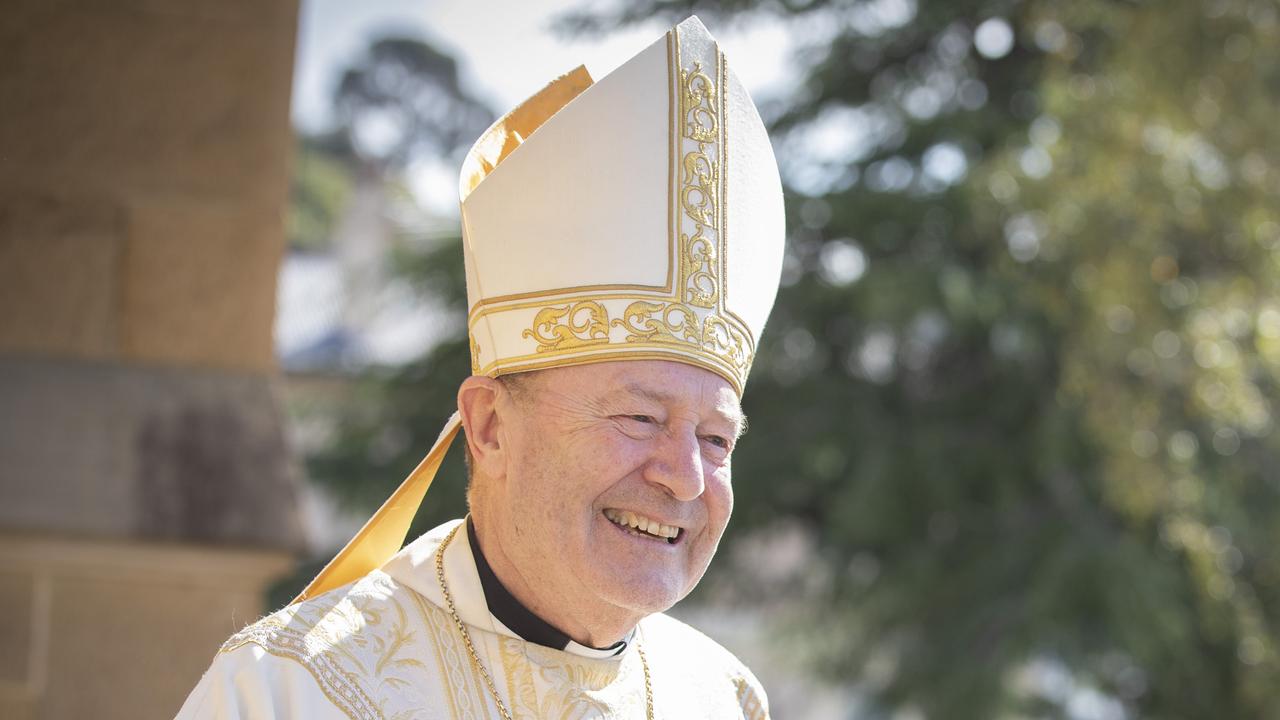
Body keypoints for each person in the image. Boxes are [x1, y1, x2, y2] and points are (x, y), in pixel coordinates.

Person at [177, 15, 784, 719]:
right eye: (641, 417)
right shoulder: (293, 689)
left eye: (716, 440)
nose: (683, 475)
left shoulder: (723, 699)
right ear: (490, 426)